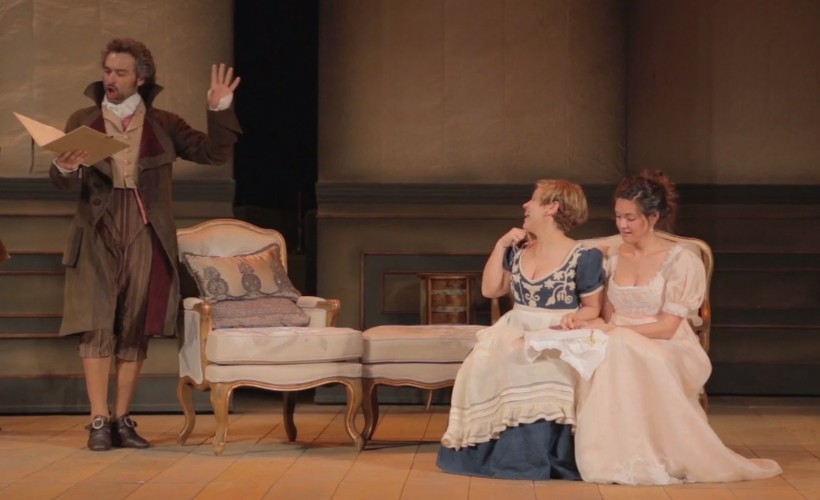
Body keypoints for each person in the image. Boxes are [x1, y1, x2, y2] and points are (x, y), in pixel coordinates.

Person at [50, 38, 241, 451]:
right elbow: (62, 183)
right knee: (96, 323)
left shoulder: (164, 123)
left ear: (141, 77)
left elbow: (213, 154)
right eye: (107, 71)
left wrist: (219, 108)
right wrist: (64, 165)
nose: (111, 79)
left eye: (120, 73)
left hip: (145, 228)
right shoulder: (83, 120)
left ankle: (121, 419)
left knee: (134, 324)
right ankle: (98, 419)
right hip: (97, 228)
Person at [574, 171, 782, 484]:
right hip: (617, 337)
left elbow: (668, 327)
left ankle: (658, 454)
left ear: (653, 217)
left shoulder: (680, 260)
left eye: (630, 217)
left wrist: (617, 333)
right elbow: (607, 314)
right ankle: (613, 454)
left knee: (628, 351)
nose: (622, 225)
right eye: (618, 216)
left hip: (663, 340)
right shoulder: (613, 257)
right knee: (602, 352)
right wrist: (586, 322)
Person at [436, 179, 604, 480]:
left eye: (533, 200)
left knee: (537, 366)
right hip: (516, 326)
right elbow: (490, 289)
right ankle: (490, 450)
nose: (525, 205)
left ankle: (539, 454)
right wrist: (500, 245)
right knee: (484, 363)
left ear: (552, 207)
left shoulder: (583, 256)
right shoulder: (519, 249)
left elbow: (593, 307)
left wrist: (574, 319)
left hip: (556, 329)